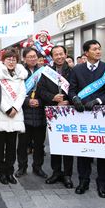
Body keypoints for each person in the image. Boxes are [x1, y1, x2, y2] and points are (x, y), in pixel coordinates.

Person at [69, 40, 105, 198]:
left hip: (102, 115)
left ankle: (102, 184)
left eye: (99, 48)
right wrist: (75, 99)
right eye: (94, 49)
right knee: (84, 152)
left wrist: (98, 101)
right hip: (82, 115)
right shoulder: (77, 69)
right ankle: (83, 181)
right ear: (86, 53)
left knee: (103, 153)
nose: (98, 51)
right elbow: (72, 89)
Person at [38, 45, 74, 188]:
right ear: (52, 57)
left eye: (61, 54)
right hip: (53, 112)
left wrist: (68, 100)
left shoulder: (73, 71)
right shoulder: (47, 72)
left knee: (68, 144)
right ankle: (56, 172)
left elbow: (78, 89)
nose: (59, 57)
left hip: (69, 111)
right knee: (55, 143)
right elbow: (40, 90)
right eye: (56, 54)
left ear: (65, 54)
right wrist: (53, 97)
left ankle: (67, 174)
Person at [0, 49, 27, 185]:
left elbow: (22, 93)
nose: (11, 61)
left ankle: (10, 172)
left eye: (14, 59)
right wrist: (7, 109)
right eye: (8, 59)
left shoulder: (20, 75)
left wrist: (15, 108)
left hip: (15, 115)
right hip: (1, 115)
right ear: (3, 60)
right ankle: (1, 172)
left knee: (12, 147)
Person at [17, 47, 47, 179]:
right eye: (29, 56)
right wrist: (27, 101)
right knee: (23, 144)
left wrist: (40, 101)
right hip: (24, 113)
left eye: (34, 56)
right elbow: (15, 93)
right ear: (24, 58)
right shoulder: (19, 72)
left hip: (40, 113)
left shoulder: (45, 72)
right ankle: (22, 167)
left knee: (39, 144)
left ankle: (38, 167)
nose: (33, 58)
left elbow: (48, 91)